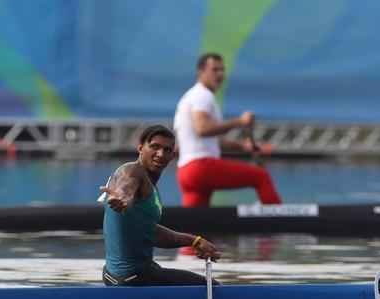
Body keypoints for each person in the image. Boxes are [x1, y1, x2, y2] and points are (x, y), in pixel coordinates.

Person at [99, 125, 221, 286]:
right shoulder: (132, 171)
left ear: (172, 156)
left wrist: (195, 241)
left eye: (167, 150)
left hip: (112, 276)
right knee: (211, 286)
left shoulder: (149, 185)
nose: (161, 154)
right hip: (135, 277)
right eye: (155, 147)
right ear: (141, 148)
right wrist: (123, 197)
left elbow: (152, 232)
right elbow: (126, 186)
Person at [173, 52, 282, 207]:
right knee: (261, 176)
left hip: (186, 172)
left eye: (222, 70)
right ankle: (279, 222)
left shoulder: (189, 97)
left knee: (194, 226)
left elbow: (209, 139)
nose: (220, 74)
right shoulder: (203, 95)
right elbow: (202, 129)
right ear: (201, 72)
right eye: (215, 70)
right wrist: (240, 121)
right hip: (201, 167)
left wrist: (243, 146)